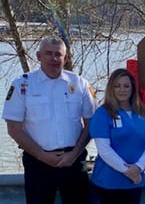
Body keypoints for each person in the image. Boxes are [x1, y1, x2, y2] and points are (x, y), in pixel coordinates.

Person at [2, 35, 97, 204]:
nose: (53, 59)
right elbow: (14, 129)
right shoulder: (22, 85)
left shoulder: (79, 84)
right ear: (39, 56)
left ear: (65, 58)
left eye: (58, 54)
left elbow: (91, 124)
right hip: (37, 162)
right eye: (48, 53)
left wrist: (74, 154)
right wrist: (41, 155)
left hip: (74, 161)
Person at [89, 68, 145, 204]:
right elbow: (104, 150)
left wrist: (138, 167)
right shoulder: (103, 114)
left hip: (134, 181)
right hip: (108, 183)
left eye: (126, 86)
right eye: (117, 86)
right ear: (111, 89)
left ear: (132, 89)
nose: (122, 90)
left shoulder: (144, 113)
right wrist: (128, 171)